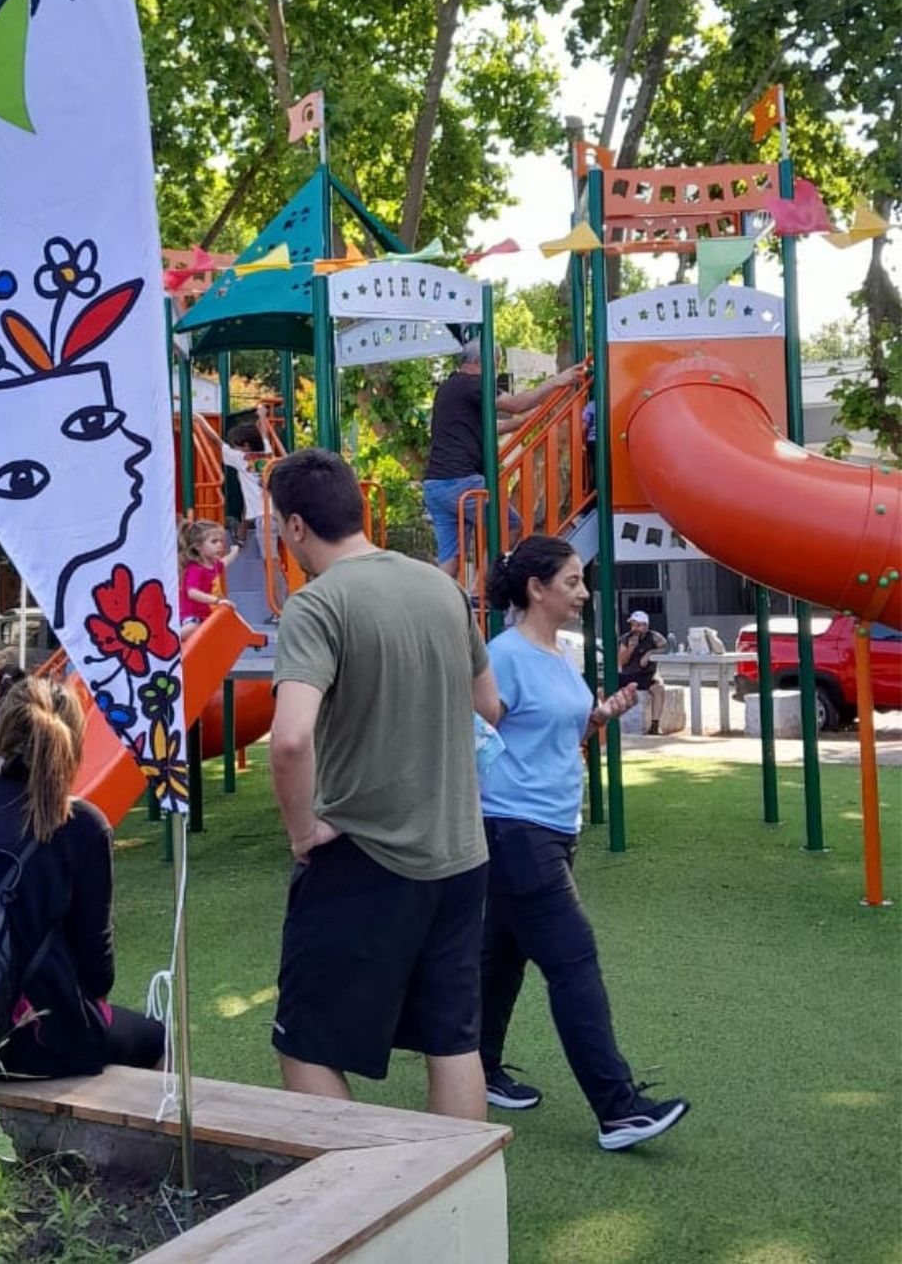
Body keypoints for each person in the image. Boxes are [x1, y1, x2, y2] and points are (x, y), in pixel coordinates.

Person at [267, 448, 501, 1120]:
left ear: (296, 528)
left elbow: (289, 738)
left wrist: (303, 831)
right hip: (461, 854)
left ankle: (363, 1200)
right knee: (453, 1041)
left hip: (366, 854)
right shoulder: (441, 588)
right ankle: (456, 1209)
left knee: (306, 1044)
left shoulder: (317, 606)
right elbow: (489, 704)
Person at [475, 537, 690, 1151]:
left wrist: (600, 715)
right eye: (570, 581)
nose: (583, 591)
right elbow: (477, 734)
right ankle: (618, 1109)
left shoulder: (559, 654)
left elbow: (555, 731)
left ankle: (479, 1067)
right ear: (536, 588)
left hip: (551, 826)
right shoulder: (504, 656)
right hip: (516, 829)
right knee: (574, 960)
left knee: (501, 959)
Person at [0, 676, 165, 1078]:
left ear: (4, 732)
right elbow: (98, 973)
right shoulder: (82, 824)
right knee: (159, 1039)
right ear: (74, 739)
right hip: (36, 1036)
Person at [423, 342, 584, 576]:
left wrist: (528, 420)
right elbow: (518, 404)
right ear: (486, 362)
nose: (496, 371)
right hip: (462, 482)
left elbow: (491, 426)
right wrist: (557, 381)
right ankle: (484, 589)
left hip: (436, 486)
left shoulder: (449, 388)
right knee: (510, 525)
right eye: (497, 364)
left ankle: (439, 607)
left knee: (451, 558)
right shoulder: (474, 385)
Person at [195, 403, 286, 608]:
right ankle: (281, 603)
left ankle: (281, 606)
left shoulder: (241, 458)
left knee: (271, 563)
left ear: (245, 446)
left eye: (236, 444)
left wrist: (200, 421)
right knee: (275, 561)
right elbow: (264, 433)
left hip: (264, 516)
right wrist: (262, 415)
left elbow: (216, 442)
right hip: (277, 513)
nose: (234, 447)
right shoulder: (267, 453)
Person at [178, 518, 240, 626]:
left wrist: (235, 551)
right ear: (198, 546)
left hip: (208, 614)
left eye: (221, 541)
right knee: (193, 628)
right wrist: (217, 601)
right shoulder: (196, 569)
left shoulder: (214, 565)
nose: (219, 545)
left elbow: (225, 561)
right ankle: (175, 640)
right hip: (193, 616)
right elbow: (192, 593)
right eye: (214, 541)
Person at [618, 609, 668, 735]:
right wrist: (630, 649)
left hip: (646, 675)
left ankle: (655, 726)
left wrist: (650, 653)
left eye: (638, 625)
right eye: (633, 625)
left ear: (646, 626)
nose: (635, 628)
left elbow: (666, 648)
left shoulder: (654, 637)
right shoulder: (626, 639)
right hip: (628, 675)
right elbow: (621, 662)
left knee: (659, 689)